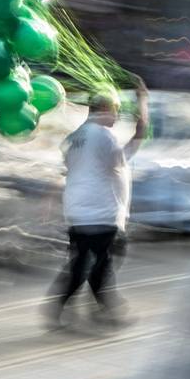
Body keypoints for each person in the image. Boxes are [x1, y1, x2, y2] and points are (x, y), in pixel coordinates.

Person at [46, 78, 149, 327]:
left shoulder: (75, 137)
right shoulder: (104, 136)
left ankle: (85, 309)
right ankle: (101, 310)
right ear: (103, 109)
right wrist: (143, 101)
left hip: (78, 211)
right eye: (114, 111)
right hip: (100, 213)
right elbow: (133, 143)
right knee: (97, 262)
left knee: (86, 262)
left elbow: (70, 169)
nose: (116, 117)